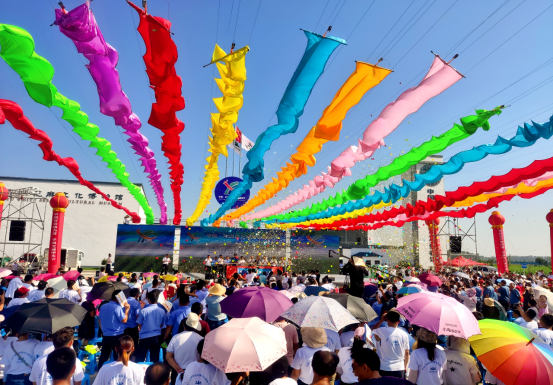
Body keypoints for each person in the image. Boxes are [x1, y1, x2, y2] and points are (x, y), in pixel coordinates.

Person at [371, 309, 409, 378]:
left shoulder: (382, 330)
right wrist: (405, 366)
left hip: (385, 367)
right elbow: (406, 353)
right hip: (400, 368)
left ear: (387, 320)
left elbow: (372, 330)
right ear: (399, 321)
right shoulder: (404, 334)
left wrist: (381, 320)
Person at [97, 289, 131, 369]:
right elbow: (124, 320)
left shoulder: (103, 306)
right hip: (117, 335)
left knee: (104, 355)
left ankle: (100, 371)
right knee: (118, 355)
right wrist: (127, 309)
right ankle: (116, 372)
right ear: (117, 298)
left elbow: (99, 319)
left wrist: (103, 330)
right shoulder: (117, 307)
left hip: (106, 335)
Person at [166, 313, 204, 383]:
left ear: (183, 325)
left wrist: (178, 369)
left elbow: (168, 356)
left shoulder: (175, 338)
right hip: (196, 373)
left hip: (178, 373)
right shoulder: (201, 339)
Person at [135, 290, 166, 363]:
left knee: (140, 358)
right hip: (156, 337)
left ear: (149, 299)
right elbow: (162, 324)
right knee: (155, 358)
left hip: (144, 337)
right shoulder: (162, 311)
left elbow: (139, 323)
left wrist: (144, 327)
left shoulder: (144, 311)